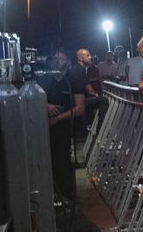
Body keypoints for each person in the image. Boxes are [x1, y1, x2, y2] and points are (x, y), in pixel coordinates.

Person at [37, 50, 88, 202]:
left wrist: (58, 118)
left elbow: (79, 108)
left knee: (63, 161)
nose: (57, 60)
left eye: (61, 58)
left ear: (67, 60)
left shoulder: (73, 79)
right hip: (44, 127)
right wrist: (44, 105)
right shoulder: (44, 79)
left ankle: (67, 195)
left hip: (64, 127)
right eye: (55, 57)